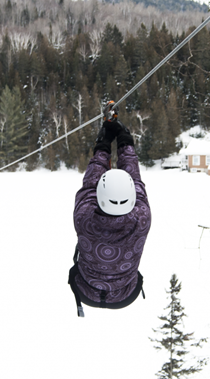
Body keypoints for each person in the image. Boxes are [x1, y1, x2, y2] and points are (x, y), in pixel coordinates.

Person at [68, 103, 152, 317]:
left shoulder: (84, 217)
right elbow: (135, 180)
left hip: (85, 289)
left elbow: (91, 181)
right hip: (125, 295)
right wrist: (124, 140)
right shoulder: (141, 220)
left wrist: (104, 143)